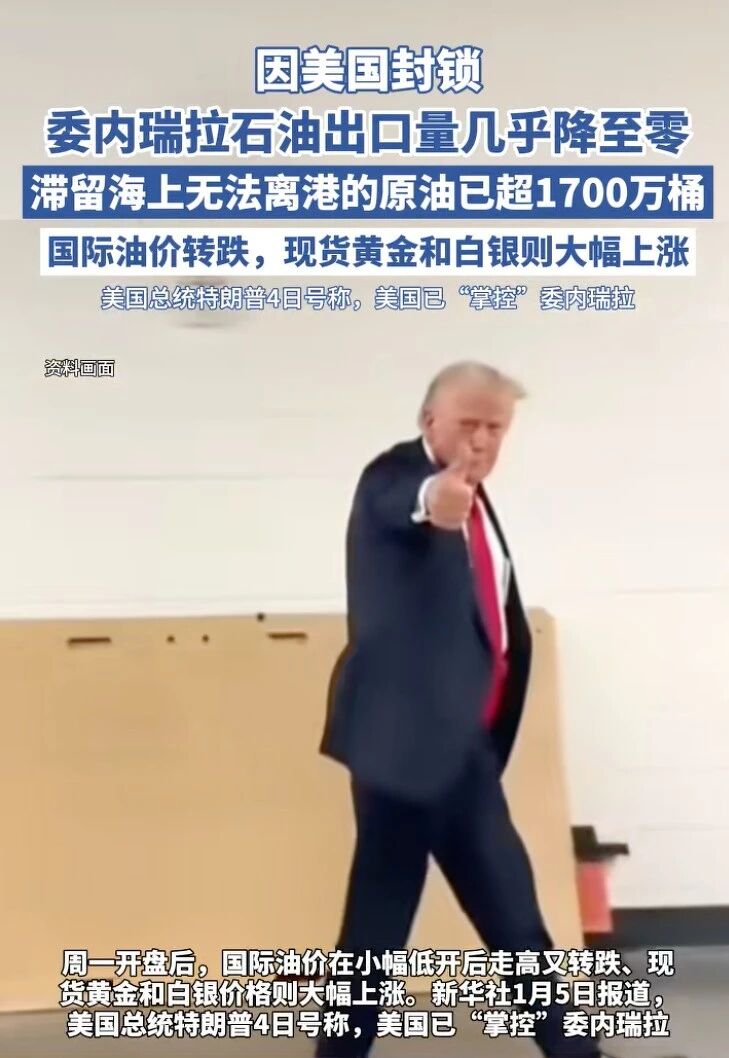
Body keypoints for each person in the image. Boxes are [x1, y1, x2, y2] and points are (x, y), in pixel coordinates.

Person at [315, 361, 685, 1058]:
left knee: (512, 918)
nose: (481, 440)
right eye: (467, 424)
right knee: (379, 931)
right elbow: (408, 500)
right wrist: (435, 498)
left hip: (463, 755)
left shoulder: (480, 502)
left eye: (495, 428)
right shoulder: (393, 477)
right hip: (403, 755)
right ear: (429, 421)